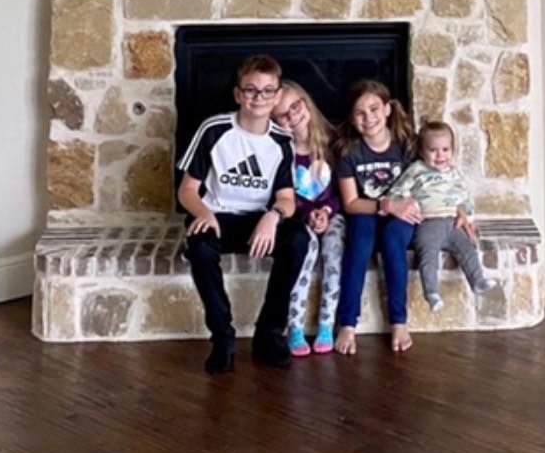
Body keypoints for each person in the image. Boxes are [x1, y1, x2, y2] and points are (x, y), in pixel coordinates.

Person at [177, 52, 310, 374]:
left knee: (298, 239)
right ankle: (222, 336)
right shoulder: (214, 129)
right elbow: (187, 190)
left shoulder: (282, 141)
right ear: (238, 94)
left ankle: (269, 334)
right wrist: (203, 213)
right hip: (217, 215)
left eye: (267, 91)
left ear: (277, 95)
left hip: (258, 220)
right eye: (251, 90)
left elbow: (287, 198)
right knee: (200, 248)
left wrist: (273, 216)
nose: (258, 97)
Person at [333, 79, 418, 355]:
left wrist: (460, 210)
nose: (368, 118)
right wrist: (386, 205)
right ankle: (347, 323)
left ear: (388, 109)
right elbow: (351, 203)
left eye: (374, 109)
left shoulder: (405, 145)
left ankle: (399, 321)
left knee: (393, 242)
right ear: (351, 118)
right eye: (359, 112)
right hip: (367, 210)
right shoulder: (349, 152)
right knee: (358, 245)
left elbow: (433, 180)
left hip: (402, 214)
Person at [271, 81, 345, 357]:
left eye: (295, 106)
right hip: (298, 217)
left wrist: (326, 212)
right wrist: (307, 215)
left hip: (334, 213)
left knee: (334, 248)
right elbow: (282, 194)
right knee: (306, 248)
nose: (292, 115)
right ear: (274, 121)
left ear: (306, 102)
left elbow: (343, 189)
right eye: (283, 114)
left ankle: (326, 323)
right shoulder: (280, 151)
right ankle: (295, 326)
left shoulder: (333, 141)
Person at [388, 120, 493, 310]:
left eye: (445, 149)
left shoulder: (455, 173)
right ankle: (431, 292)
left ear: (452, 150)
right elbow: (397, 190)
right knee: (428, 256)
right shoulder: (416, 170)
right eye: (433, 150)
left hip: (453, 222)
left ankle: (477, 281)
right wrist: (402, 203)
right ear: (422, 151)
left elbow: (464, 197)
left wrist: (469, 219)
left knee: (468, 249)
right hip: (428, 223)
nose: (440, 155)